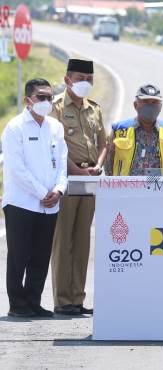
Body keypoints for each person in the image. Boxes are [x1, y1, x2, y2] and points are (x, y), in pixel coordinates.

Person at [2, 78, 68, 317]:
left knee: (41, 256)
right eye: (41, 97)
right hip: (21, 202)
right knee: (19, 255)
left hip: (50, 205)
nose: (46, 101)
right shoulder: (15, 127)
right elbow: (17, 169)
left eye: (50, 97)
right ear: (28, 100)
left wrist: (59, 189)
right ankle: (17, 305)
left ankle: (33, 302)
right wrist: (42, 193)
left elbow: (62, 163)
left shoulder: (55, 127)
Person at [51, 58, 107, 316]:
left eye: (89, 79)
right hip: (67, 178)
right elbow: (56, 148)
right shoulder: (57, 108)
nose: (85, 83)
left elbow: (104, 142)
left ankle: (77, 297)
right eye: (80, 78)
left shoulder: (94, 108)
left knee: (83, 239)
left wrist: (98, 165)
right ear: (67, 79)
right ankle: (63, 300)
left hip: (90, 178)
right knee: (64, 240)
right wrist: (78, 171)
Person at [105, 84, 163, 176]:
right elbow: (108, 167)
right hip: (126, 188)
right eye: (146, 102)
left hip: (160, 189)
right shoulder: (119, 131)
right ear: (135, 105)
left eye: (154, 102)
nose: (150, 106)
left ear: (160, 107)